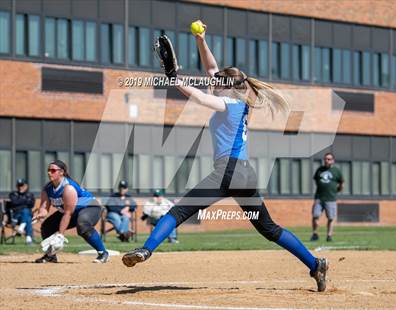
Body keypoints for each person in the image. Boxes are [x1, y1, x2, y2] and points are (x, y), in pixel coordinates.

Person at [122, 21, 329, 292]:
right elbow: (211, 69)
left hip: (227, 173)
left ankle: (147, 250)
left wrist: (174, 80)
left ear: (226, 87)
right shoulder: (236, 102)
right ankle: (315, 264)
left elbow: (198, 96)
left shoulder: (225, 103)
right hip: (245, 174)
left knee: (178, 211)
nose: (212, 81)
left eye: (216, 81)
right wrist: (201, 40)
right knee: (269, 229)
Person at [32, 160, 109, 263]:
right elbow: (44, 208)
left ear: (61, 172)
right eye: (48, 170)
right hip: (72, 210)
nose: (49, 172)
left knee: (82, 224)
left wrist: (60, 234)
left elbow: (68, 213)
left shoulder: (68, 188)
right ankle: (50, 256)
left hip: (90, 207)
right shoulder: (48, 188)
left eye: (53, 170)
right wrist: (40, 214)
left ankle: (103, 253)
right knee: (47, 226)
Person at [310, 152, 344, 242]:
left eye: (329, 159)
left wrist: (336, 191)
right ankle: (315, 234)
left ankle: (329, 236)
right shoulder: (320, 170)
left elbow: (341, 183)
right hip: (319, 198)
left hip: (331, 198)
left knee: (331, 218)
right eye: (325, 159)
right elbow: (316, 181)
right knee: (315, 216)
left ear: (333, 161)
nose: (326, 160)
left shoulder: (336, 171)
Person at [8, 178, 35, 244]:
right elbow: (14, 202)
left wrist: (20, 202)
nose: (20, 187)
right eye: (19, 185)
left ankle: (22, 226)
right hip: (16, 217)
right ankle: (28, 238)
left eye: (22, 185)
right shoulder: (13, 194)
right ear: (16, 186)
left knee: (27, 216)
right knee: (26, 213)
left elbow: (31, 204)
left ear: (26, 186)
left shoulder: (30, 194)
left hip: (25, 216)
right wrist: (25, 201)